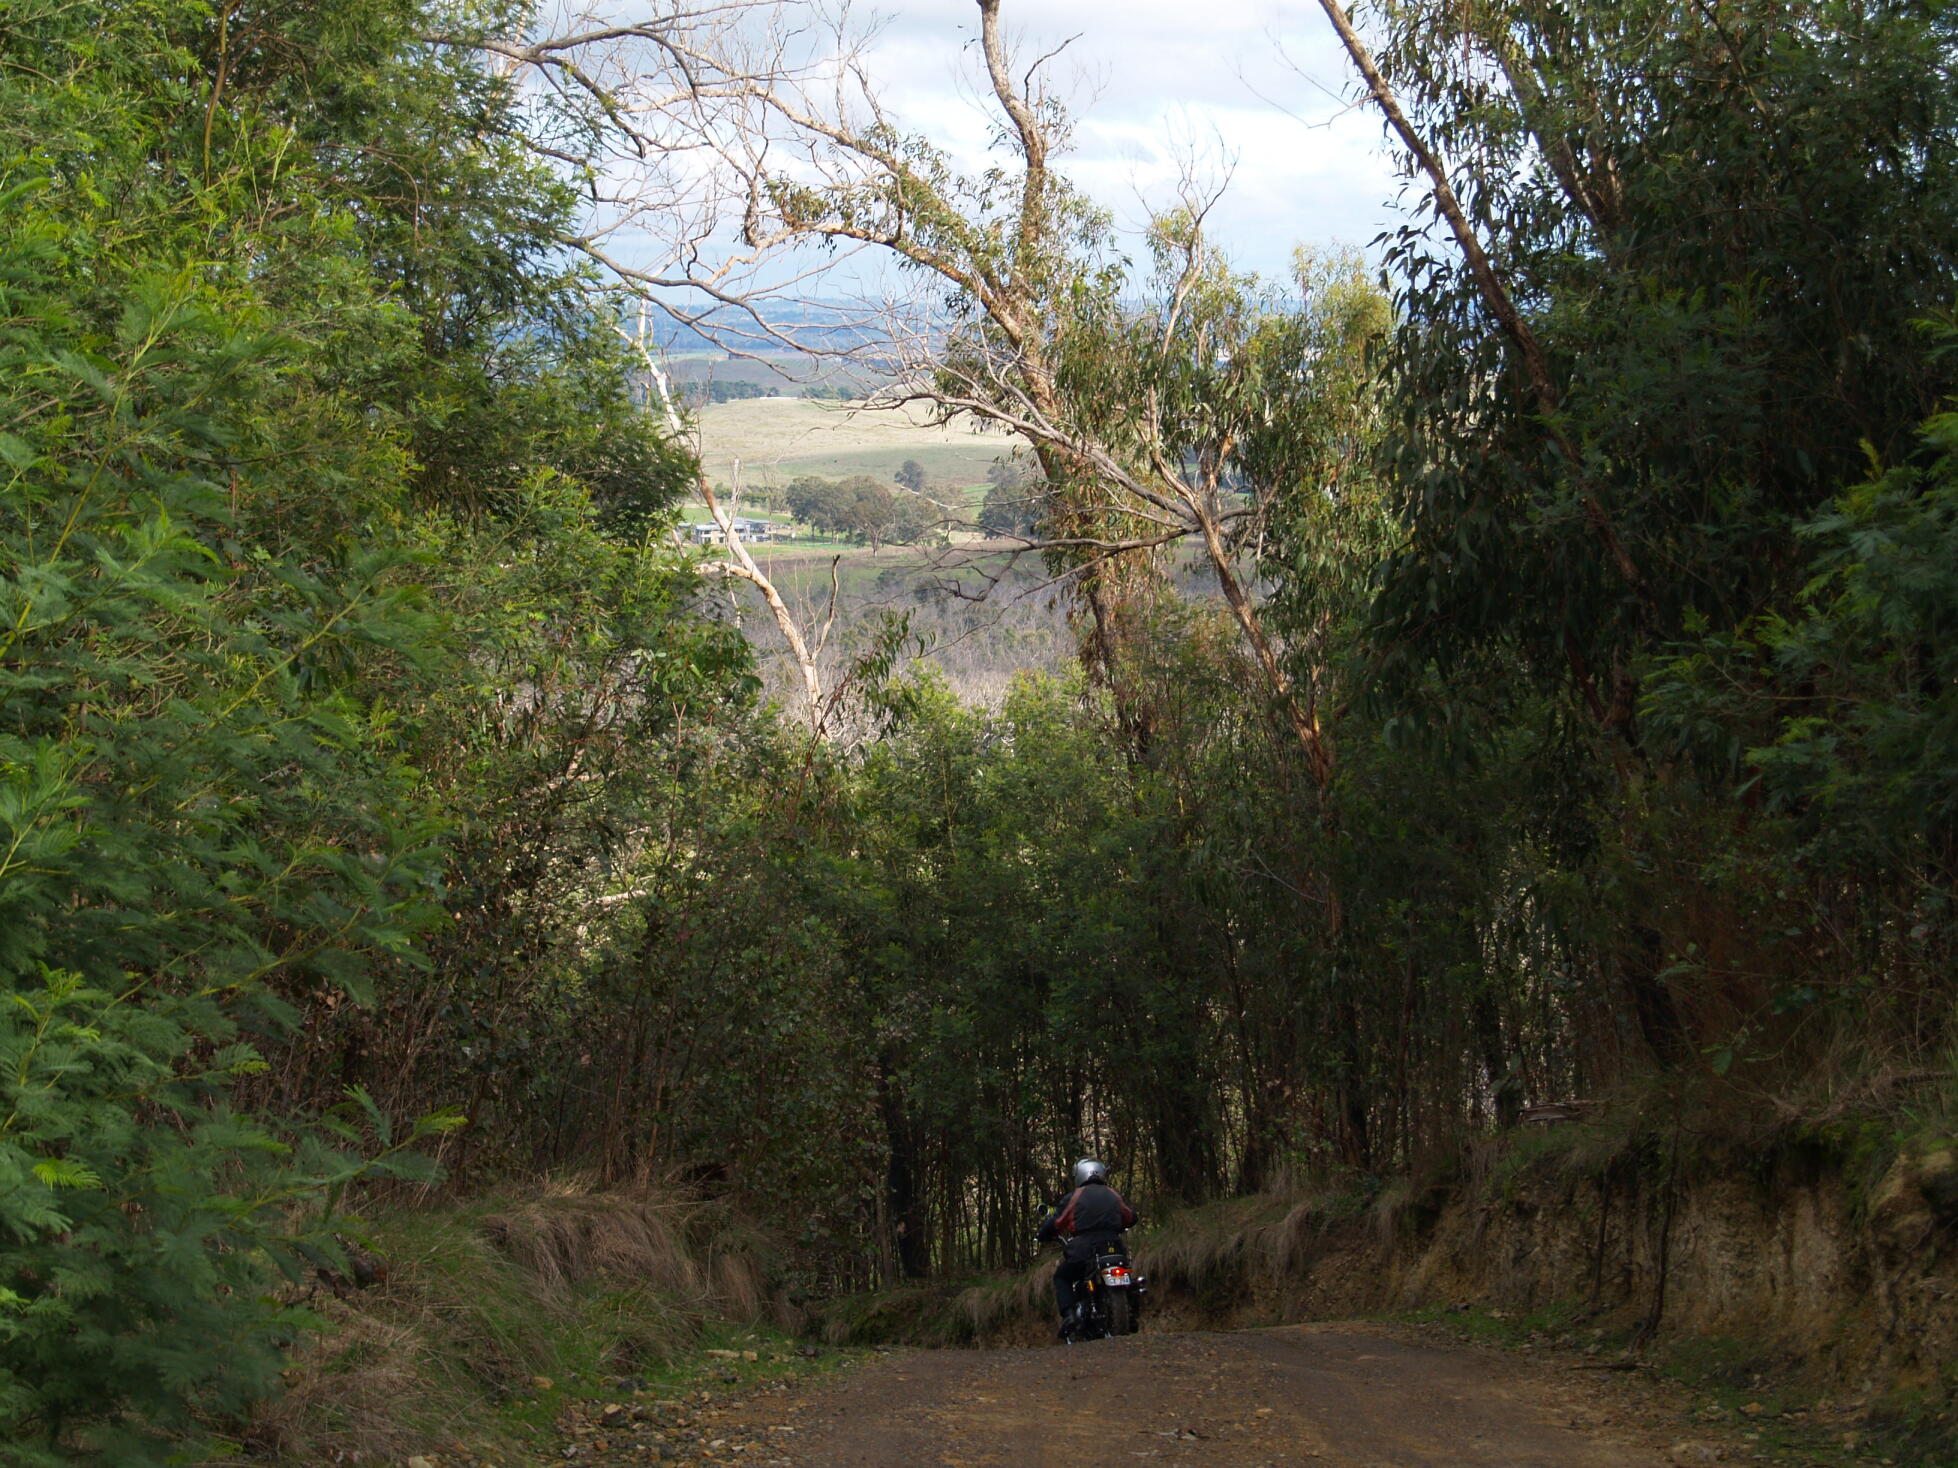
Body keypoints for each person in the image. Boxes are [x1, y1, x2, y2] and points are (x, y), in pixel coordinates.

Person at [1035, 1157, 1138, 1335]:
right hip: (1114, 1246)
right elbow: (1130, 1217)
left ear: (1080, 1175)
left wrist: (1042, 1234)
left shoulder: (1074, 1197)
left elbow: (1057, 1222)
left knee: (1062, 1276)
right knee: (1132, 1278)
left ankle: (1069, 1316)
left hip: (1084, 1249)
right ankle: (1132, 1312)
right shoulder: (1113, 1194)